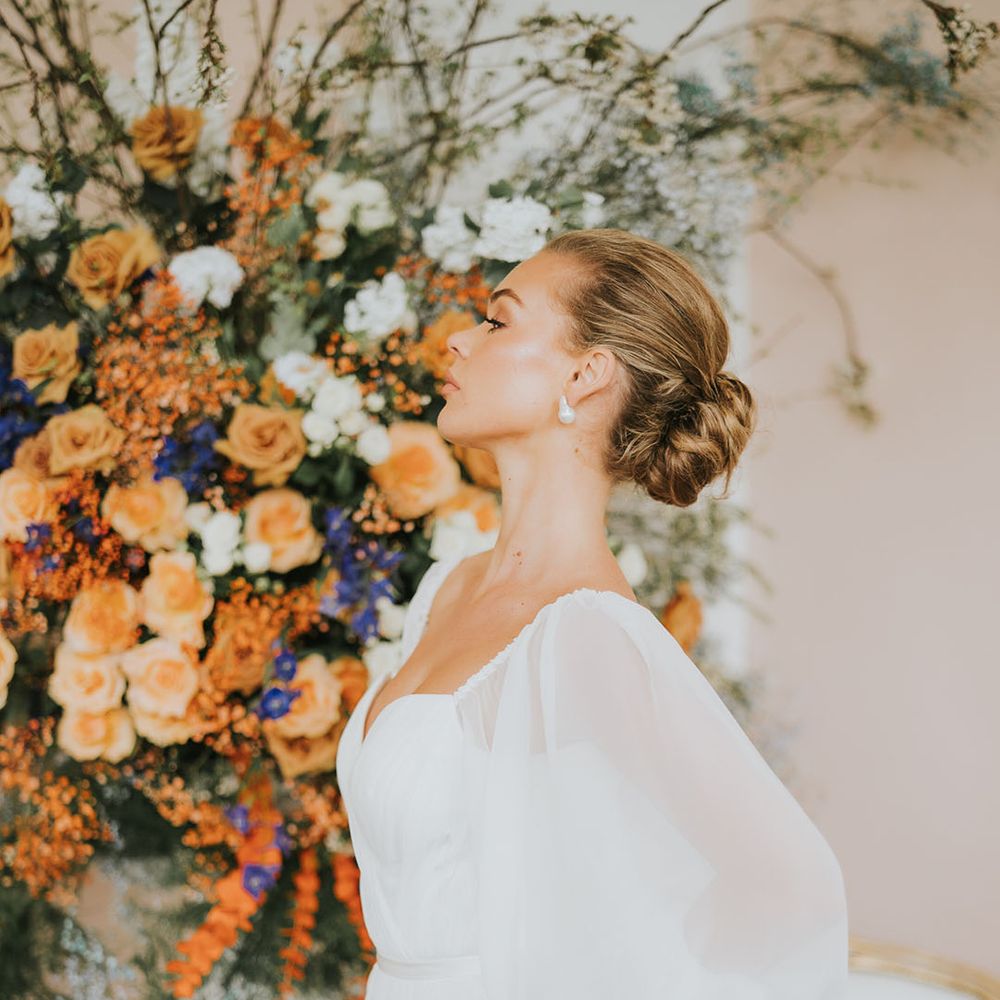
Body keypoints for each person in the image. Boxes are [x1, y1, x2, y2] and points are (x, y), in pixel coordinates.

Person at [335, 228, 849, 999]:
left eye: (497, 321)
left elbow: (787, 887)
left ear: (585, 373)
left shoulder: (587, 635)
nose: (457, 341)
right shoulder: (448, 589)